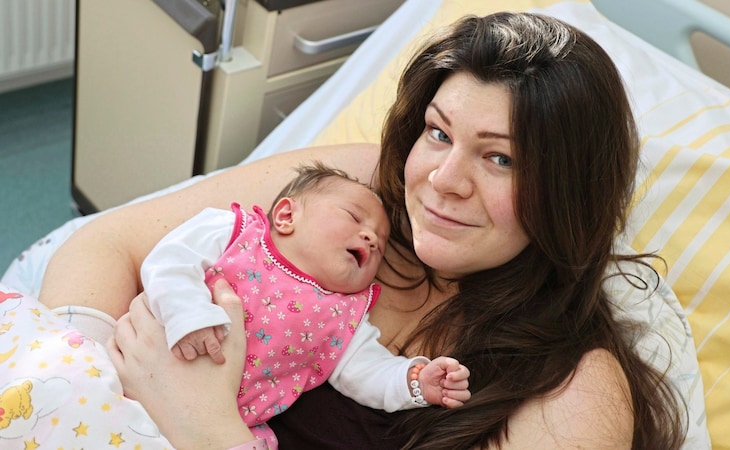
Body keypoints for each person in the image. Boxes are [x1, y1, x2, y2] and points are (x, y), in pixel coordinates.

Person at [40, 11, 687, 450]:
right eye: (438, 133)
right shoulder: (358, 195)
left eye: (500, 158)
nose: (442, 179)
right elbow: (108, 241)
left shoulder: (573, 389)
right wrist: (74, 394)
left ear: (568, 194)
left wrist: (208, 427)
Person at [139, 162, 471, 447]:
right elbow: (170, 261)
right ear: (286, 215)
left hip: (232, 427)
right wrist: (189, 315)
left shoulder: (344, 318)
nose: (370, 238)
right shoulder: (238, 234)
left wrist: (414, 380)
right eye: (355, 217)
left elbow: (368, 372)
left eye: (380, 247)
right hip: (144, 377)